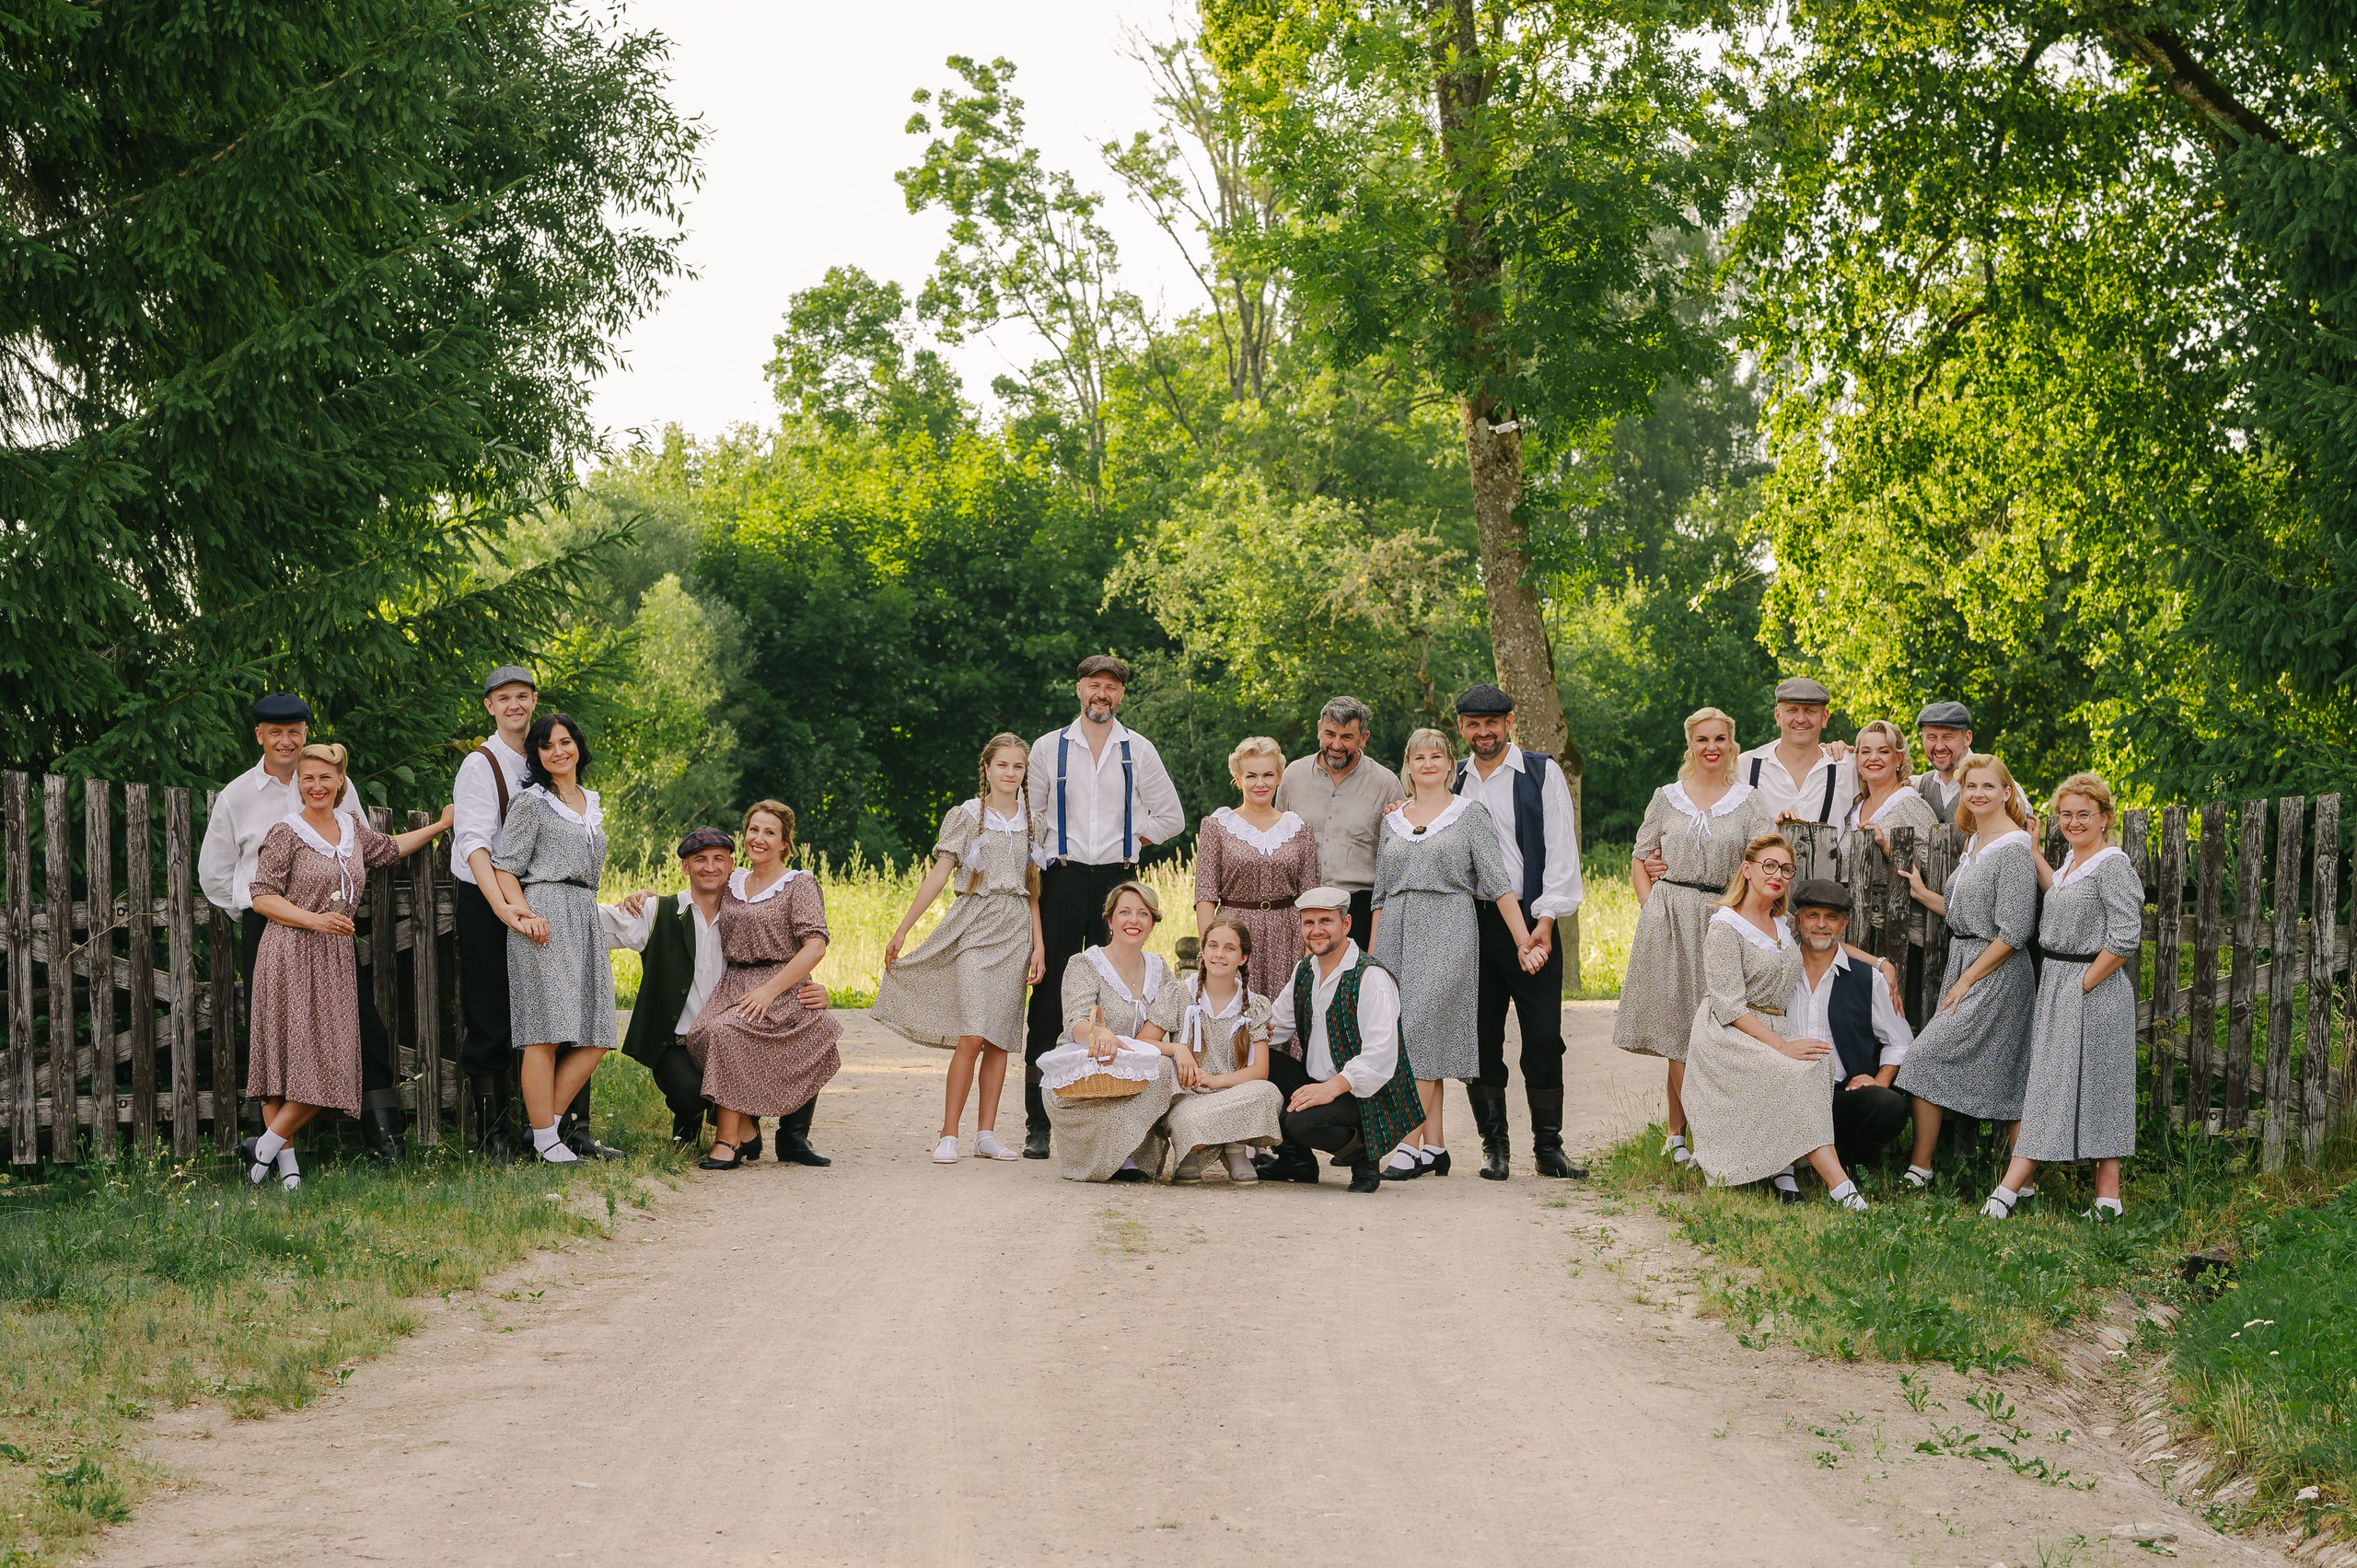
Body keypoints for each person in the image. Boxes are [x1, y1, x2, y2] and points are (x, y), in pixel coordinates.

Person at [197, 693, 402, 1160]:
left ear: (306, 734)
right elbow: (215, 871)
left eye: (294, 731)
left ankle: (384, 1140)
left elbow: (362, 846)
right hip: (269, 928)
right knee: (274, 1035)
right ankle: (274, 1152)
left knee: (361, 1025)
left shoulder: (335, 786)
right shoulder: (237, 796)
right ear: (260, 736)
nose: (286, 740)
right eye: (276, 732)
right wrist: (256, 910)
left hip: (332, 929)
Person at [240, 745, 452, 1187]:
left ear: (341, 783)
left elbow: (392, 848)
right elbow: (261, 896)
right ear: (299, 783)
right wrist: (314, 919)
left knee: (334, 1061)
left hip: (334, 960)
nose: (316, 786)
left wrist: (441, 825)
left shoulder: (353, 830)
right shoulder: (286, 832)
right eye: (308, 778)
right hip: (289, 953)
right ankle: (285, 1167)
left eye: (325, 778)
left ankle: (262, 1147)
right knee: (283, 1058)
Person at [1021, 656, 1186, 1160]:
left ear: (1120, 695)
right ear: (1079, 690)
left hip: (1118, 880)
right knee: (1050, 1000)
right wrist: (1047, 859)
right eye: (1094, 686)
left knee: (1120, 996)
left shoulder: (1139, 749)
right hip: (1063, 879)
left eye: (1111, 688)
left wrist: (1135, 837)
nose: (1102, 695)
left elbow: (1173, 817)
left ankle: (1116, 1108)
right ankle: (1040, 1120)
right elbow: (1033, 816)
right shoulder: (1050, 747)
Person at [449, 664, 610, 1162]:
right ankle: (501, 1133)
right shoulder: (483, 765)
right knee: (497, 1018)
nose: (514, 704)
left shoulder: (550, 766)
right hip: (489, 895)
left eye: (523, 695)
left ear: (534, 701)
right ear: (490, 706)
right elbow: (476, 843)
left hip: (556, 903)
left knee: (577, 1021)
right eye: (504, 697)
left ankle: (565, 1129)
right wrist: (508, 908)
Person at [872, 733, 1048, 1164]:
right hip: (974, 925)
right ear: (986, 768)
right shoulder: (967, 815)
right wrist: (902, 930)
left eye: (1018, 767)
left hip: (1015, 932)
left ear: (1025, 773)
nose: (1010, 773)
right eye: (1002, 765)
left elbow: (1033, 890)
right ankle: (948, 1132)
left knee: (1000, 1038)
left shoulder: (1034, 822)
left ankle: (985, 1134)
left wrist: (1039, 945)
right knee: (972, 1034)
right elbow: (938, 875)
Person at [601, 828, 830, 1152]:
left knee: (804, 1032)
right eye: (699, 860)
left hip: (734, 1038)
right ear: (684, 867)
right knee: (690, 1095)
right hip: (678, 1042)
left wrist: (813, 988)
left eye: (718, 859)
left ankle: (780, 1134)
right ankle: (707, 1120)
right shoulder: (659, 912)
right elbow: (598, 923)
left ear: (732, 864)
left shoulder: (744, 914)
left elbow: (783, 954)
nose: (709, 867)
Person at [1370, 727, 1530, 1181]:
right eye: (1418, 757)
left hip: (1448, 928)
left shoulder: (1469, 814)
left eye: (1436, 756)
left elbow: (1498, 883)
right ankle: (1435, 1148)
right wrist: (1373, 959)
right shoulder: (1393, 820)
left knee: (1420, 1029)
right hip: (1397, 929)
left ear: (1450, 764)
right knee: (1411, 1036)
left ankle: (1405, 1144)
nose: (1427, 764)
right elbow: (1381, 892)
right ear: (1408, 765)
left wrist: (1522, 940)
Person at [1615, 707, 1771, 1171]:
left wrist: (1742, 918)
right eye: (1702, 739)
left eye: (1719, 739)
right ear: (1690, 744)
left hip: (1722, 919)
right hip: (1669, 918)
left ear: (1731, 743)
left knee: (1720, 1026)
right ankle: (1677, 1135)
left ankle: (1721, 1131)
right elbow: (1641, 857)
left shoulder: (1747, 800)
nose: (1711, 748)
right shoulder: (1667, 797)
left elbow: (1764, 861)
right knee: (1679, 1031)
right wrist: (1651, 908)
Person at [1981, 774, 2142, 1221]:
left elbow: (2125, 936)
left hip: (2091, 989)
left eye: (2083, 815)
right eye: (2066, 815)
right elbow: (2060, 890)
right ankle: (2106, 1202)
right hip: (2059, 982)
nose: (2073, 822)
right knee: (2075, 1087)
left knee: (2090, 1087)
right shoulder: (2073, 862)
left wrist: (2084, 984)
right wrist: (2034, 851)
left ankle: (2010, 1189)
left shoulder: (2113, 863)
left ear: (2105, 818)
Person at [1679, 836, 1871, 1210]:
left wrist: (1879, 963)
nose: (1778, 875)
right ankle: (1842, 1188)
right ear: (1747, 870)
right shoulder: (1725, 925)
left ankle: (1784, 1168)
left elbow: (1827, 940)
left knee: (1816, 1064)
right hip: (1728, 1034)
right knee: (1795, 1073)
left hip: (1774, 1027)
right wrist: (1782, 1046)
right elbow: (1730, 1007)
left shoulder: (1782, 923)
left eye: (1786, 869)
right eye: (1769, 865)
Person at [1449, 683, 1585, 1179]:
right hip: (1470, 924)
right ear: (1461, 728)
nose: (1483, 732)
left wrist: (1545, 923)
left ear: (1509, 723)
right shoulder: (1451, 779)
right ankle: (1494, 1148)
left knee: (1544, 1036)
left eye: (1492, 723)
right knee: (1481, 1038)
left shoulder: (1541, 773)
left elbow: (1562, 855)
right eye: (1473, 724)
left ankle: (1548, 1149)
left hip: (1532, 920)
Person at [1894, 754, 2040, 1188]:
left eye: (1988, 787)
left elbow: (2014, 930)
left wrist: (1967, 978)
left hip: (1997, 973)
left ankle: (1927, 1170)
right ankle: (1929, 1169)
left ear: (2006, 792)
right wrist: (1924, 895)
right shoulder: (1974, 840)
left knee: (1929, 1057)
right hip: (1968, 961)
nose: (1978, 794)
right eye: (1970, 786)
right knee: (2001, 1070)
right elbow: (1964, 912)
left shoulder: (2013, 848)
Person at [489, 714, 622, 1165]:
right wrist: (521, 914)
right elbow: (505, 867)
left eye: (565, 742)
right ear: (538, 756)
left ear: (578, 747)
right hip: (544, 916)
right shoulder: (531, 802)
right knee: (543, 1034)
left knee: (598, 1032)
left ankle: (541, 1129)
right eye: (547, 746)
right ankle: (547, 1138)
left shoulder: (591, 801)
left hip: (584, 916)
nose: (558, 751)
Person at [681, 801, 842, 1171]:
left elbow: (815, 944)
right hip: (735, 981)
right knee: (704, 1033)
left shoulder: (799, 883)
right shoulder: (733, 881)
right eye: (754, 830)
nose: (759, 838)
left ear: (785, 843)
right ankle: (747, 1126)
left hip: (781, 986)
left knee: (728, 1033)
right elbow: (696, 893)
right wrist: (642, 900)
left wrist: (770, 990)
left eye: (770, 832)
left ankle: (730, 1140)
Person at [1260, 888, 1427, 1194]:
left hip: (1369, 1093)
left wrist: (1330, 1088)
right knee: (1259, 1061)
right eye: (1308, 923)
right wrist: (1248, 1035)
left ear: (1346, 924)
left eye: (1326, 921)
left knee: (1300, 1122)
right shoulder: (1304, 971)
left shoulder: (1371, 977)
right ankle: (1295, 1162)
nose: (1316, 930)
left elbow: (1380, 1057)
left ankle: (1365, 1156)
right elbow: (1276, 1026)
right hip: (1319, 1081)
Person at [1035, 881, 1184, 1182]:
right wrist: (1099, 1033)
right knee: (1147, 1066)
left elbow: (1153, 1038)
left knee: (1167, 1068)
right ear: (1110, 920)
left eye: (1143, 914)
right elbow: (1076, 1023)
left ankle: (1132, 1149)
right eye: (1125, 912)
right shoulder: (1086, 964)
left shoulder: (1160, 970)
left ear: (1153, 924)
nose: (1133, 920)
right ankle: (1113, 1154)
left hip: (1133, 1078)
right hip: (1089, 1076)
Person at [1787, 878, 1915, 1174]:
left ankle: (1846, 1166)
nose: (1821, 925)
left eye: (1831, 917)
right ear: (1797, 921)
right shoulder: (1779, 971)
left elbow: (1900, 1041)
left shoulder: (1868, 979)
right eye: (1812, 916)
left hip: (1841, 1094)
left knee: (1890, 1107)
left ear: (1843, 925)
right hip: (1785, 1091)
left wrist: (1881, 1080)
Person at [1145, 918, 1283, 1181]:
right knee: (1187, 1115)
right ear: (1203, 951)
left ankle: (1235, 1149)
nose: (1219, 954)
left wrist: (1216, 1081)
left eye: (1230, 948)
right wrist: (1177, 1049)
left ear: (1242, 957)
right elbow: (1144, 1042)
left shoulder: (1255, 1005)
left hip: (1232, 1093)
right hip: (1188, 1096)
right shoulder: (1177, 994)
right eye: (1213, 946)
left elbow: (1260, 1070)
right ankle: (1189, 1151)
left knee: (1268, 1094)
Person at [1193, 736, 1319, 1002]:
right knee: (1236, 1013)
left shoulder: (1300, 830)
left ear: (1279, 778)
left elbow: (1310, 898)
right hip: (1233, 933)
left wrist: (1309, 953)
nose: (1260, 783)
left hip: (1287, 936)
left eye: (1267, 775)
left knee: (1284, 1018)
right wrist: (1209, 949)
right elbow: (1205, 895)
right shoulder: (1217, 826)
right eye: (1251, 775)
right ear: (1238, 779)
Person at [1274, 696, 1402, 948]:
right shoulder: (1292, 776)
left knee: (1354, 987)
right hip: (1302, 905)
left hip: (1359, 909)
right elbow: (1279, 842)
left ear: (1364, 738)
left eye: (1347, 737)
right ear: (1319, 729)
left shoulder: (1386, 784)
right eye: (1330, 734)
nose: (1336, 744)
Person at [1736, 677, 1855, 825]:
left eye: (1809, 711)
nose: (1800, 719)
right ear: (1778, 716)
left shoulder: (1847, 766)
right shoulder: (1745, 767)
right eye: (1792, 710)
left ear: (1824, 718)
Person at [1913, 701, 2031, 824]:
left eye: (1948, 737)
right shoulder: (1919, 785)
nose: (1939, 746)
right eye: (1932, 737)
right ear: (1923, 740)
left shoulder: (1998, 782)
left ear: (1967, 738)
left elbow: (2021, 819)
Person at [1847, 719, 1939, 854]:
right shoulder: (1852, 807)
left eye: (1883, 751)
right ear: (1857, 758)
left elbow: (1935, 864)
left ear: (1898, 758)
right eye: (1866, 752)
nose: (1873, 758)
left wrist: (1887, 846)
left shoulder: (1910, 804)